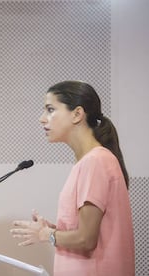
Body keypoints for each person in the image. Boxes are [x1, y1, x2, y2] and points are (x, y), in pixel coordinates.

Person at [10, 81, 135, 276]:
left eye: (50, 110)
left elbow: (86, 239)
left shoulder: (96, 161)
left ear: (77, 114)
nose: (42, 119)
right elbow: (87, 233)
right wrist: (55, 230)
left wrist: (46, 234)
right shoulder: (90, 161)